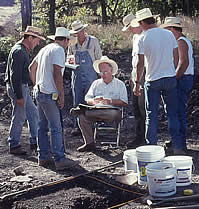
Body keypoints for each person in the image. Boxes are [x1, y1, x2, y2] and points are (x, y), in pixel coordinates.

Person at [133, 8, 184, 155]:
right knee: (172, 114)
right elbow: (176, 57)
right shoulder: (168, 34)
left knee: (151, 115)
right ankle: (177, 146)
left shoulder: (142, 38)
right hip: (169, 78)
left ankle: (152, 148)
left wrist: (137, 82)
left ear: (142, 22)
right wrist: (171, 71)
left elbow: (140, 63)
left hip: (152, 79)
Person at [29, 27, 78, 170]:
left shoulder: (45, 49)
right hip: (49, 93)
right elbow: (57, 74)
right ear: (66, 40)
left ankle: (43, 156)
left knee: (42, 126)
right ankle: (59, 159)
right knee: (56, 127)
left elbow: (32, 68)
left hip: (39, 91)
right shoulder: (58, 51)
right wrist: (61, 95)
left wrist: (36, 83)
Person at [71, 56, 128, 152]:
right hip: (96, 109)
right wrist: (93, 101)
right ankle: (89, 143)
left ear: (111, 70)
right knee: (81, 117)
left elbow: (124, 102)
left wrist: (110, 101)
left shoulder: (119, 84)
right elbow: (87, 98)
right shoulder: (96, 83)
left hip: (112, 111)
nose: (103, 74)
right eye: (101, 72)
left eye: (105, 71)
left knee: (108, 113)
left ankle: (83, 111)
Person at [4, 26, 44, 155]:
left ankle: (35, 140)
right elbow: (15, 75)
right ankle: (14, 144)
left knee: (33, 113)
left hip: (21, 87)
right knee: (19, 116)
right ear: (30, 38)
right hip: (19, 87)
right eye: (37, 40)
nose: (38, 43)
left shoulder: (20, 49)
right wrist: (19, 95)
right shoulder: (19, 51)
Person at [161, 17, 194, 152]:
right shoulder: (182, 41)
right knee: (178, 111)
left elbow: (183, 62)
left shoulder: (180, 42)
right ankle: (179, 141)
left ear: (173, 29)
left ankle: (178, 145)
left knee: (175, 111)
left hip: (182, 79)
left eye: (167, 30)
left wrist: (174, 78)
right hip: (184, 78)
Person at [68, 20, 102, 134]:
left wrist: (100, 74)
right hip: (76, 75)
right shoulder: (72, 43)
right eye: (76, 32)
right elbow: (69, 59)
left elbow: (99, 59)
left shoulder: (93, 41)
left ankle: (91, 126)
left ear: (84, 30)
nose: (79, 34)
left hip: (90, 74)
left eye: (80, 31)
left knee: (90, 99)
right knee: (77, 100)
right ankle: (77, 126)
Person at [122, 13, 145, 148]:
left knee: (142, 107)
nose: (130, 30)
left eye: (130, 27)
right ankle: (139, 136)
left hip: (143, 74)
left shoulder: (145, 36)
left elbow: (143, 61)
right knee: (136, 107)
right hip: (136, 74)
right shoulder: (135, 37)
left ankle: (144, 138)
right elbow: (135, 60)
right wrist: (133, 75)